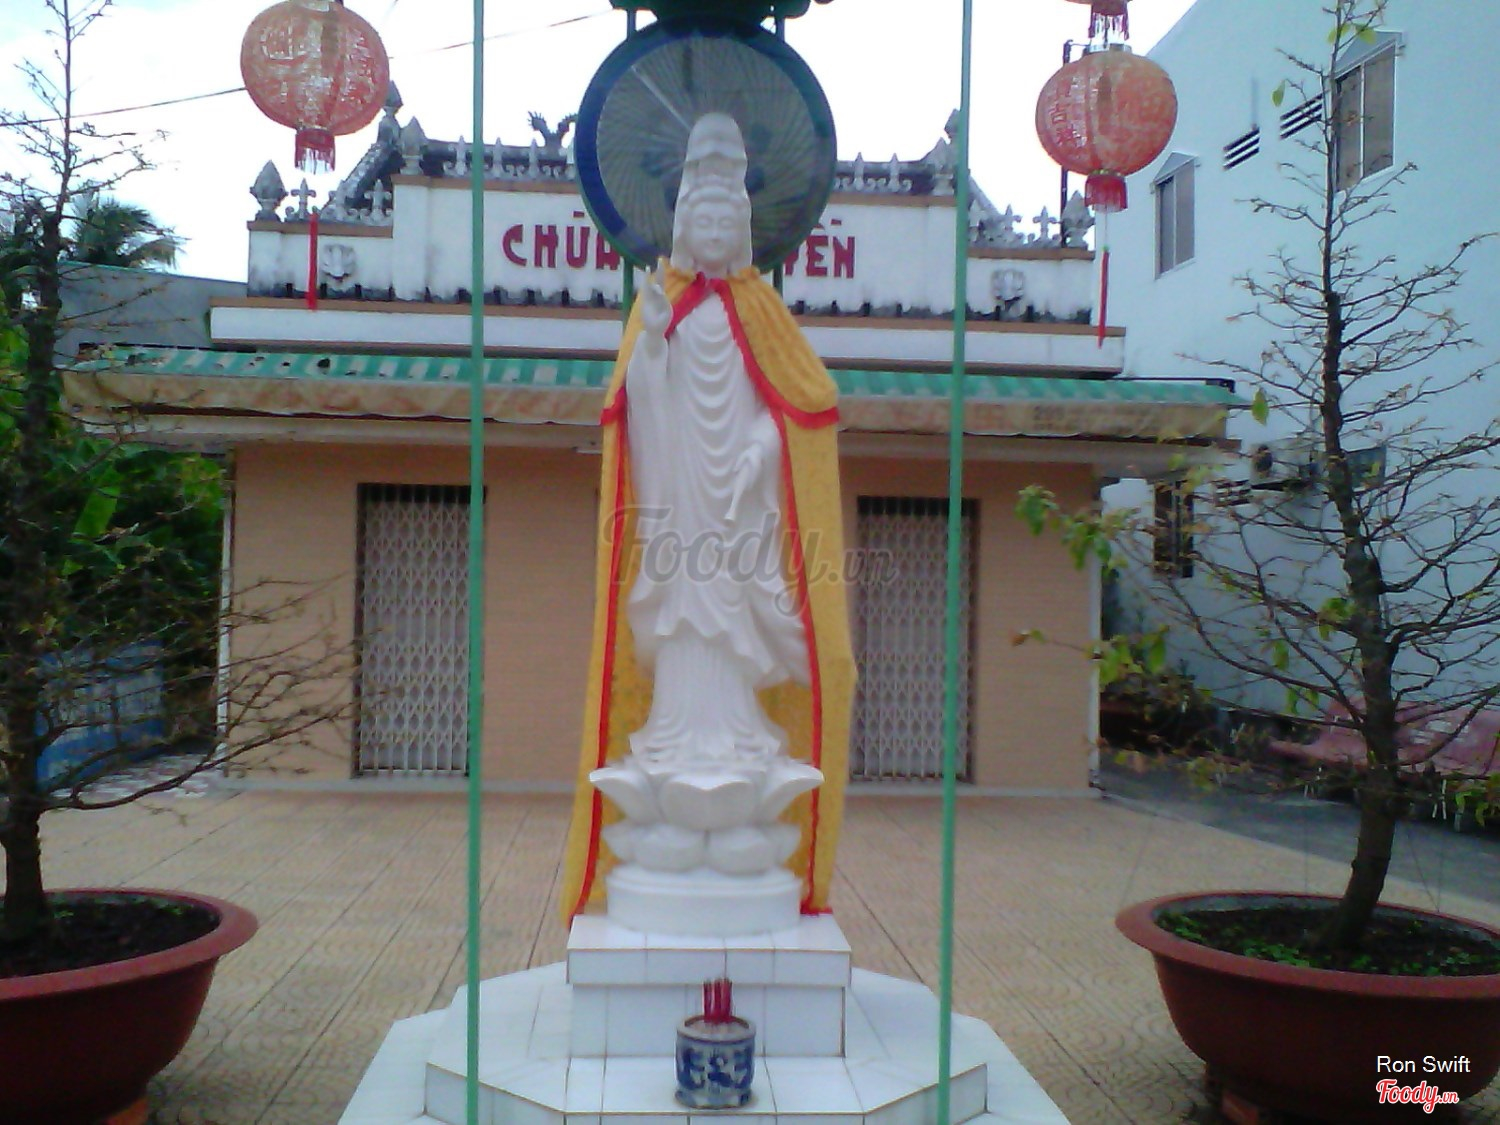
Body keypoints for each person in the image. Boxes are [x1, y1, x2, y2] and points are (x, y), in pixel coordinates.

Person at [562, 114, 854, 920]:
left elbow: (795, 403)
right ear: (685, 226)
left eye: (729, 222)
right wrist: (654, 343)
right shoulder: (666, 308)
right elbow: (636, 403)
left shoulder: (762, 315)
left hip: (739, 512)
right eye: (704, 221)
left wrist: (760, 448)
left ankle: (737, 738)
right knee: (684, 628)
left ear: (745, 229)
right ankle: (677, 738)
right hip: (680, 499)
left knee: (730, 627)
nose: (717, 234)